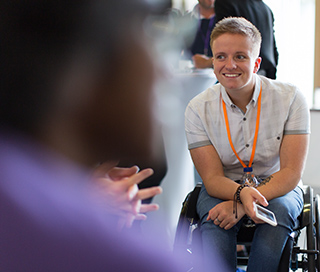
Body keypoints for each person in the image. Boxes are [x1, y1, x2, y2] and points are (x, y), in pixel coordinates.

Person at [0, 0, 218, 271]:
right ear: (85, 69)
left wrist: (82, 192)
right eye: (146, 40)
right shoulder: (139, 261)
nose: (163, 71)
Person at [185, 17, 309, 271]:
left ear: (257, 63)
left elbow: (290, 173)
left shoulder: (291, 99)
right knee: (215, 217)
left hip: (278, 186)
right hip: (222, 186)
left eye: (240, 56)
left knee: (281, 211)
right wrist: (240, 194)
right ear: (213, 61)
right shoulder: (197, 108)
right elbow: (211, 178)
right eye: (221, 57)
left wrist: (243, 203)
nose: (229, 65)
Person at [214, 0, 279, 79]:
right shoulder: (265, 8)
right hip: (265, 71)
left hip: (240, 71)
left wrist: (207, 63)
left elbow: (224, 43)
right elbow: (273, 48)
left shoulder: (225, 3)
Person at [185, 0, 216, 69]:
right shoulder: (186, 20)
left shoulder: (226, 19)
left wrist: (208, 62)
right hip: (193, 75)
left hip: (221, 76)